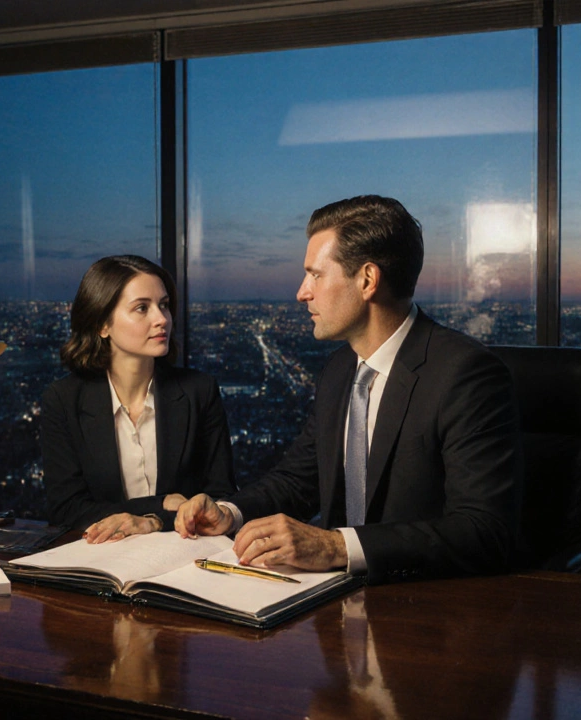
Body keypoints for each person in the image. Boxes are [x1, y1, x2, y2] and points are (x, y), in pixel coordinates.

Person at [175, 195, 523, 584]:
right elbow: (299, 480)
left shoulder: (465, 374)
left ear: (367, 280)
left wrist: (335, 547)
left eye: (316, 275)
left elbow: (483, 531)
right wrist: (230, 513)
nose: (302, 292)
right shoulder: (341, 369)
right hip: (333, 608)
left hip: (425, 611)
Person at [41, 255, 235, 543]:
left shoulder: (199, 391)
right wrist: (158, 505)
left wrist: (152, 522)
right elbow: (66, 510)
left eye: (164, 305)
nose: (162, 319)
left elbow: (220, 501)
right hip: (99, 563)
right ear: (102, 325)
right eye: (142, 308)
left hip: (183, 558)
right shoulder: (63, 400)